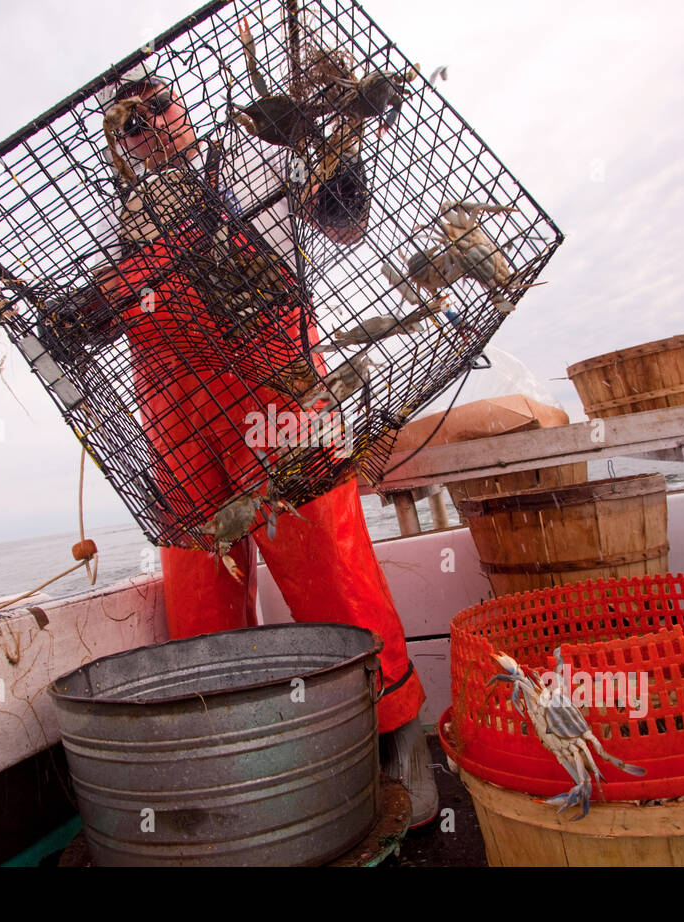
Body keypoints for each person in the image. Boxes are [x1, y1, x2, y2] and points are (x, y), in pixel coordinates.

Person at [89, 64, 437, 827]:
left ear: (184, 103)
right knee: (197, 586)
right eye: (131, 123)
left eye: (160, 104)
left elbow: (344, 223)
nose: (153, 124)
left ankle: (400, 740)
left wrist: (342, 160)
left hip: (275, 394)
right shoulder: (126, 220)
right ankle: (231, 756)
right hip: (174, 420)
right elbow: (104, 316)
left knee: (329, 564)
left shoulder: (248, 155)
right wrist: (77, 313)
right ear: (121, 148)